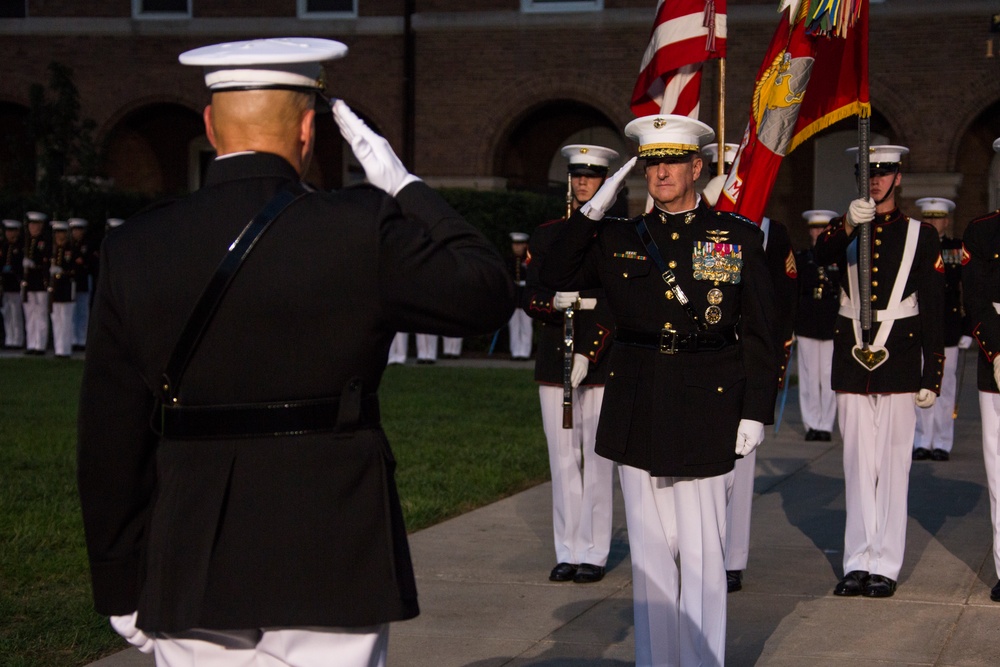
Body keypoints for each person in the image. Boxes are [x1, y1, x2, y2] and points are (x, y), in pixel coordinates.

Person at [77, 37, 514, 667]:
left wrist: (117, 579)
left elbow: (109, 435)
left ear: (210, 124)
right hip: (330, 539)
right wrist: (405, 186)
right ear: (309, 130)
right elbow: (486, 289)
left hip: (189, 547)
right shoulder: (360, 227)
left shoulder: (136, 247)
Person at [541, 114, 778, 667]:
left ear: (697, 166)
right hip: (638, 396)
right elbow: (553, 270)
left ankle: (701, 658)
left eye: (672, 161)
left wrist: (755, 410)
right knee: (649, 552)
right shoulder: (618, 236)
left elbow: (763, 331)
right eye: (652, 162)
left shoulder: (736, 236)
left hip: (707, 398)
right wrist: (596, 204)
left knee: (700, 550)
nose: (661, 171)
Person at [814, 144, 945, 599]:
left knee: (892, 467)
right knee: (856, 464)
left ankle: (885, 563)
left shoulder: (919, 234)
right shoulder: (846, 228)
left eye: (883, 173)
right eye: (867, 173)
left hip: (901, 358)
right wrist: (850, 223)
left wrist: (934, 375)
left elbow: (933, 307)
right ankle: (857, 560)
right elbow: (820, 254)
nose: (874, 181)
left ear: (898, 178)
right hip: (853, 358)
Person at [701, 142, 797, 594]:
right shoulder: (698, 226)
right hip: (705, 355)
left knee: (740, 461)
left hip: (748, 356)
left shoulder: (771, 232)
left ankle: (731, 555)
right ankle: (702, 549)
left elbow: (781, 300)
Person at [523, 143, 618, 585]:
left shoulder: (618, 235)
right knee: (562, 458)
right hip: (553, 355)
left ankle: (595, 551)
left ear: (605, 181)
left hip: (597, 358)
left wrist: (589, 349)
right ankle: (568, 548)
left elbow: (618, 304)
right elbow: (528, 295)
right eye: (577, 175)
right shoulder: (546, 235)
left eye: (592, 176)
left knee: (597, 457)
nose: (583, 183)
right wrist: (550, 302)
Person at [963, 136, 1000, 602]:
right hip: (998, 363)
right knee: (999, 471)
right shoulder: (983, 230)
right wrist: (997, 351)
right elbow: (974, 297)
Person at [911, 197, 971, 462]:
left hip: (948, 325)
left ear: (947, 221)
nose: (934, 223)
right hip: (921, 324)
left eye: (938, 218)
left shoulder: (957, 249)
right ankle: (922, 439)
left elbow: (968, 290)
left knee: (945, 387)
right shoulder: (915, 247)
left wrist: (968, 329)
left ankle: (943, 442)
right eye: (929, 219)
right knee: (921, 385)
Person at [794, 210, 842, 442]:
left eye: (823, 228)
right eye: (815, 228)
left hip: (831, 322)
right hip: (807, 321)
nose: (818, 232)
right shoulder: (801, 258)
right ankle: (812, 424)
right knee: (809, 377)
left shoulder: (839, 258)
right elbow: (793, 292)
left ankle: (826, 424)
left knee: (828, 375)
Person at [22, 210, 50, 355]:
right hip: (29, 283)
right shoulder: (26, 241)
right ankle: (31, 343)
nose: (34, 228)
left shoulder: (44, 242)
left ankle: (40, 344)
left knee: (40, 314)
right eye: (32, 225)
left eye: (36, 225)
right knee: (30, 314)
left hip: (40, 282)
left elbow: (45, 262)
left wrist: (33, 264)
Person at [47, 220, 76, 358]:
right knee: (56, 318)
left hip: (66, 287)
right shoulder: (53, 250)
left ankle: (65, 349)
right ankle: (58, 348)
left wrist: (62, 271)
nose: (60, 236)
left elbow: (75, 270)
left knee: (65, 319)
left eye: (62, 232)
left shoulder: (71, 250)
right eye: (57, 233)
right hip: (55, 289)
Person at [69, 217, 95, 350]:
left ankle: (82, 339)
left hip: (84, 279)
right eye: (74, 230)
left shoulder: (87, 245)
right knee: (73, 311)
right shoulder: (69, 245)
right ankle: (73, 339)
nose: (76, 233)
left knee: (83, 310)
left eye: (78, 230)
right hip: (73, 280)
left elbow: (91, 262)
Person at [1, 218, 25, 349]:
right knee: (7, 313)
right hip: (5, 285)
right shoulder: (4, 246)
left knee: (16, 314)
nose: (10, 234)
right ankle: (9, 338)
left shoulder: (20, 247)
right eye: (8, 231)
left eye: (12, 231)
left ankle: (17, 339)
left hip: (15, 285)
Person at [508, 231, 532, 359]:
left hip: (525, 293)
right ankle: (515, 351)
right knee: (514, 324)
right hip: (514, 294)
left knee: (526, 324)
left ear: (525, 245)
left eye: (520, 244)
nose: (517, 247)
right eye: (515, 244)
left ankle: (524, 352)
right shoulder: (509, 260)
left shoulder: (529, 259)